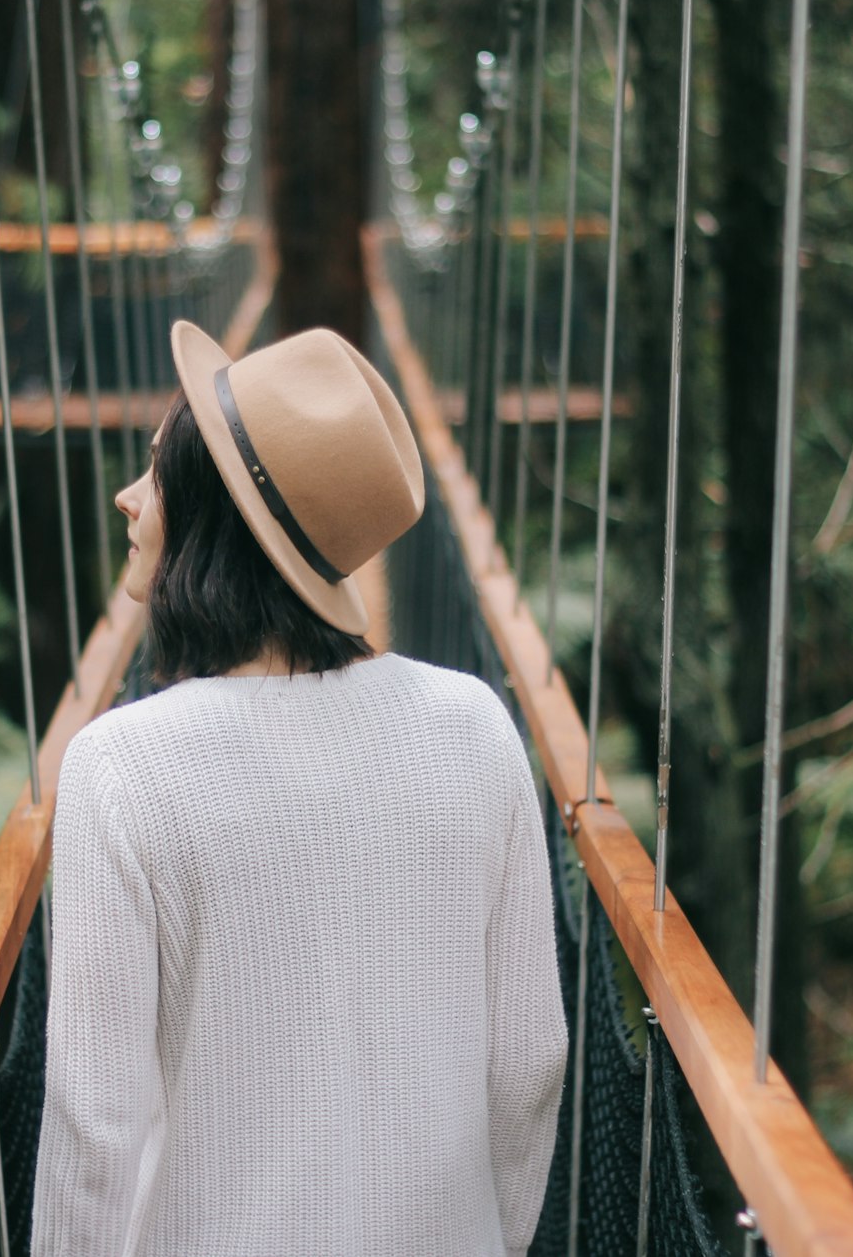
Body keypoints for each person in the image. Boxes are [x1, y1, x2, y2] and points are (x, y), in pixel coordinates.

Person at [30, 320, 568, 1256]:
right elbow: (530, 1061)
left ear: (209, 515)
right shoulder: (476, 723)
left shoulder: (121, 764)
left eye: (154, 471)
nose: (127, 496)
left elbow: (94, 1124)